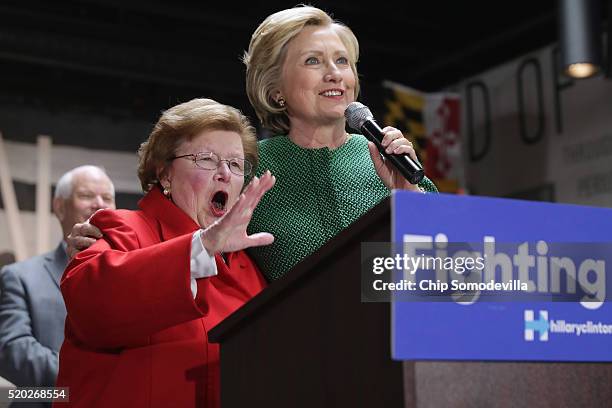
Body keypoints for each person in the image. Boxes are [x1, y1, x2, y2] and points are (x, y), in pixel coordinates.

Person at [54, 99, 275, 408]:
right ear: (165, 174)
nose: (225, 173)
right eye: (207, 159)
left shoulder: (250, 269)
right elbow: (91, 307)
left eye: (236, 164)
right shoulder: (119, 228)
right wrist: (201, 248)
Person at [243, 5, 438, 281]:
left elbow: (449, 262)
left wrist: (410, 197)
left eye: (342, 61)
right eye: (313, 60)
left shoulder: (389, 157)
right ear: (275, 90)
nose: (335, 74)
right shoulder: (248, 167)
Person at [0, 166, 115, 397]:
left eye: (108, 198)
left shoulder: (134, 275)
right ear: (60, 207)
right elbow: (12, 349)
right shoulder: (21, 277)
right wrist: (85, 380)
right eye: (86, 196)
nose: (99, 204)